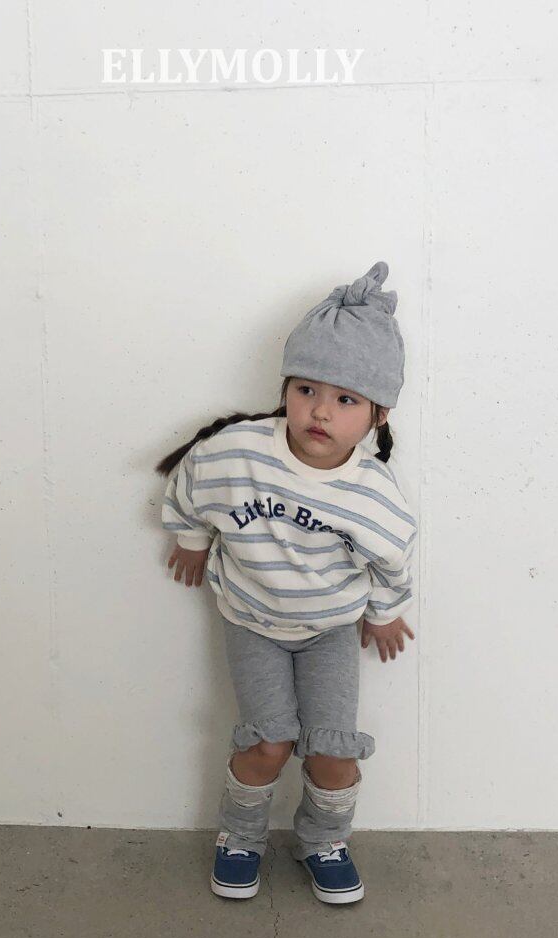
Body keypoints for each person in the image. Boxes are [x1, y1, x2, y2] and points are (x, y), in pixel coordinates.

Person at [155, 261, 417, 905]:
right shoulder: (240, 451)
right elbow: (191, 483)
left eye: (346, 400)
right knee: (269, 743)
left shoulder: (373, 493)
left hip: (330, 631)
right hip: (252, 623)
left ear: (379, 415)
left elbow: (393, 558)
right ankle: (240, 836)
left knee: (331, 753)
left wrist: (384, 612)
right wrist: (191, 538)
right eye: (306, 390)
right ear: (286, 388)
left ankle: (323, 840)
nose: (320, 411)